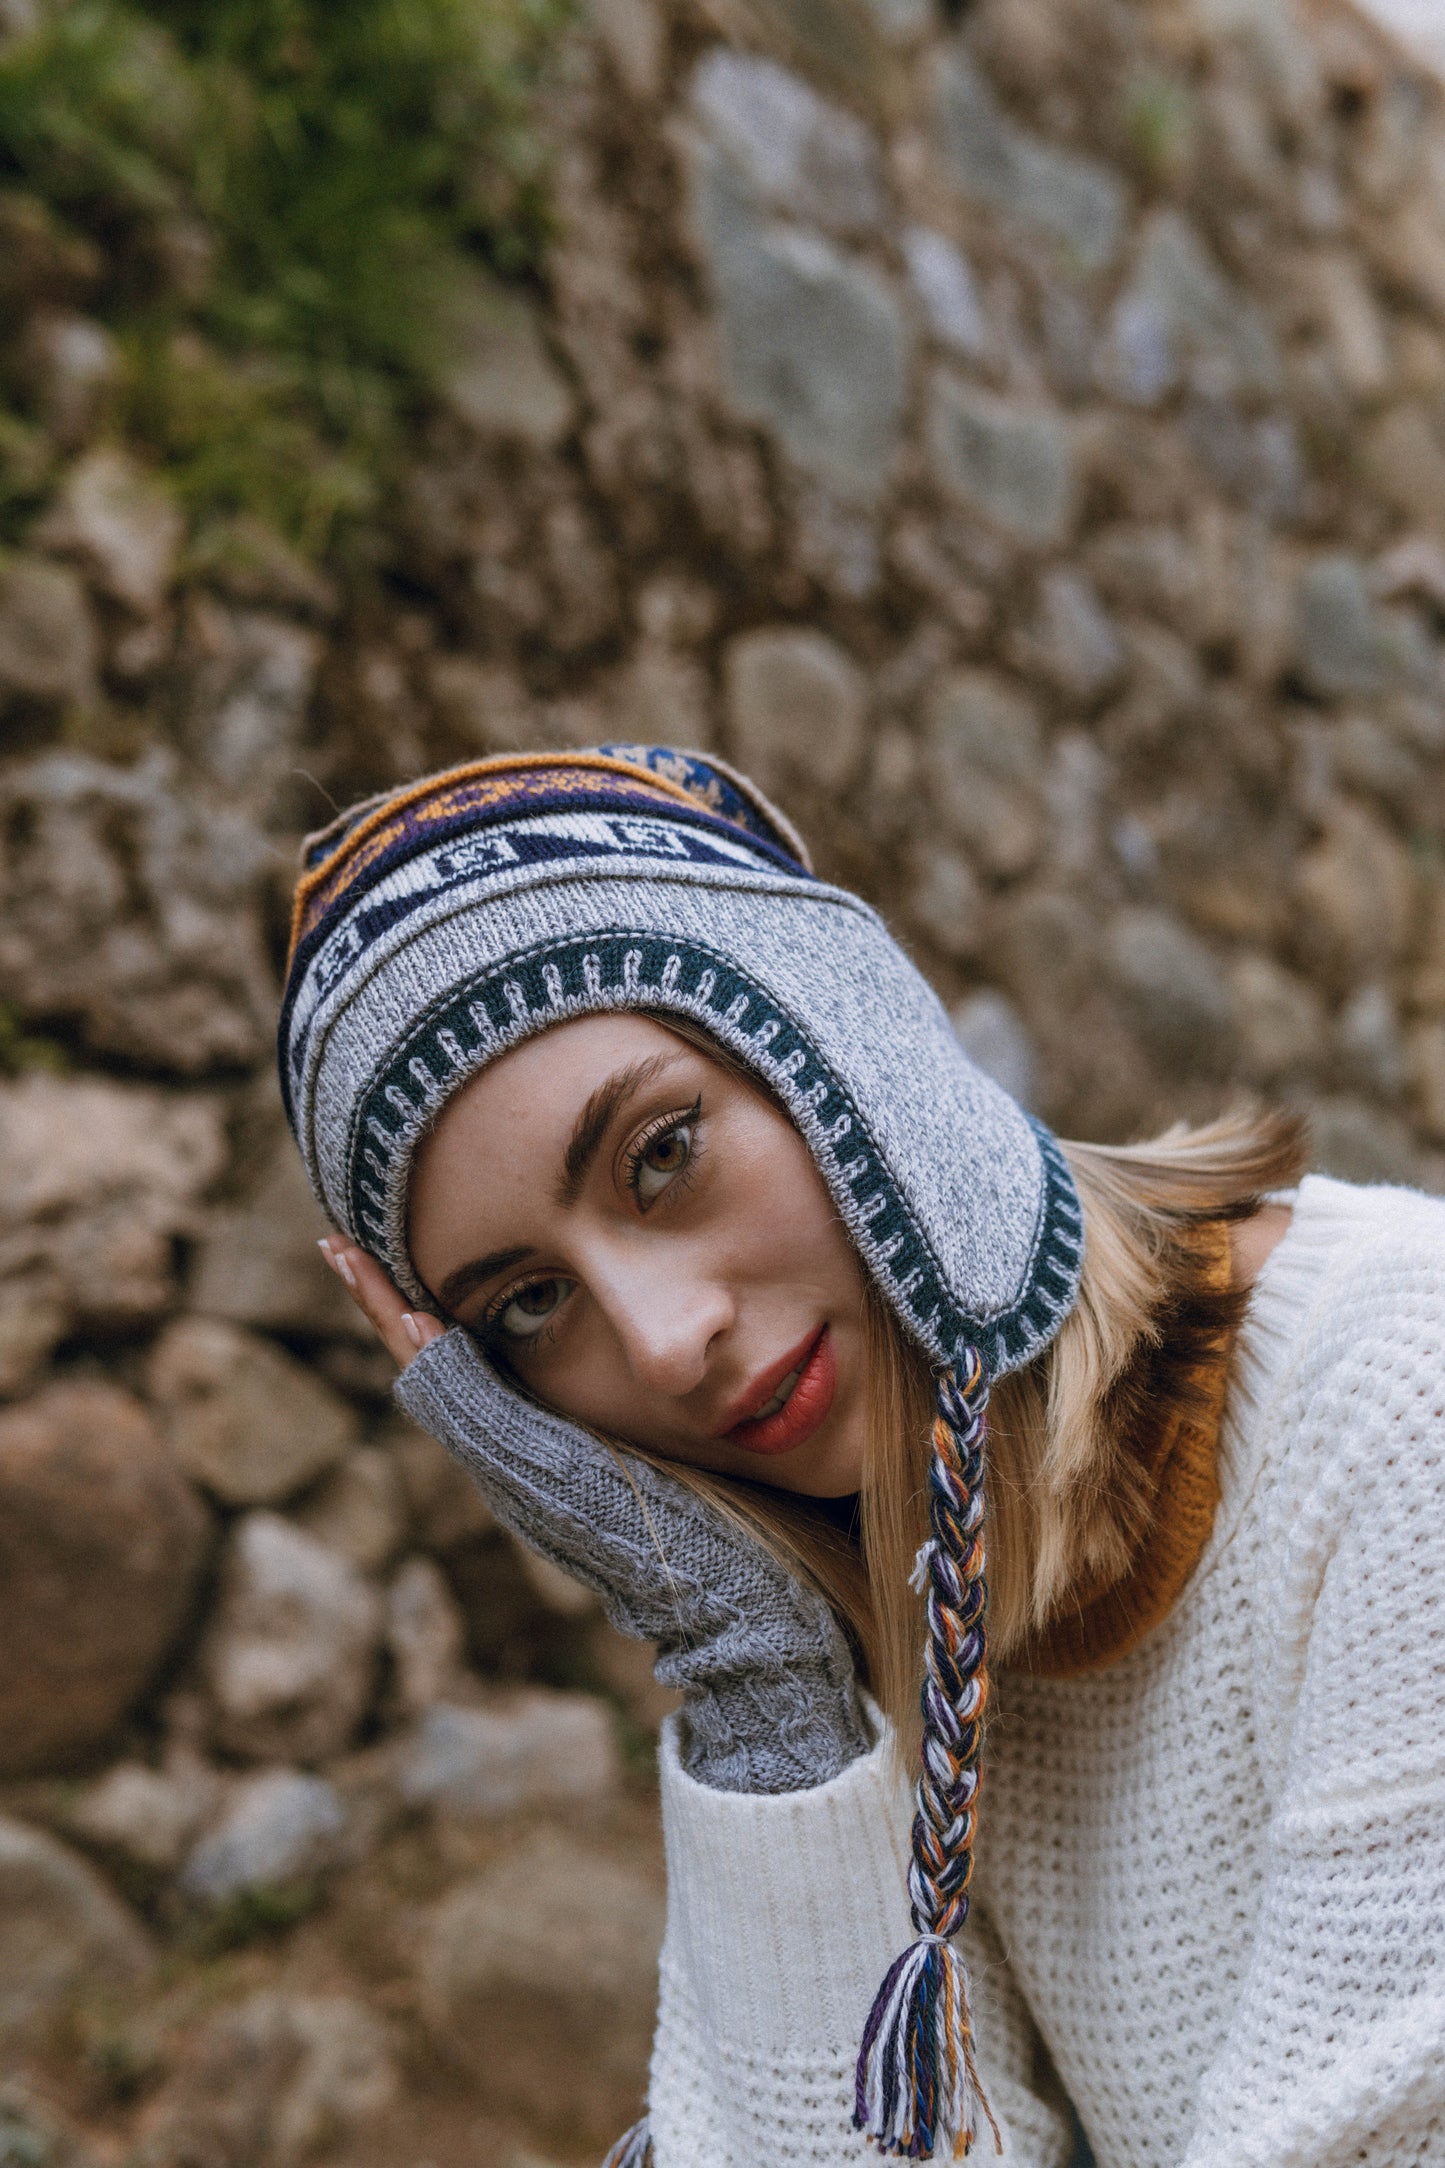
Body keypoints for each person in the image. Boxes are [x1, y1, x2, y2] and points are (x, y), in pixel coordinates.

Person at [282, 743, 1445, 2168]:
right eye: (528, 1305)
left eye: (660, 1154)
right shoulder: (893, 1608)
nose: (661, 1345)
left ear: (837, 1041)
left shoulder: (1402, 1401)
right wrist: (755, 1682)